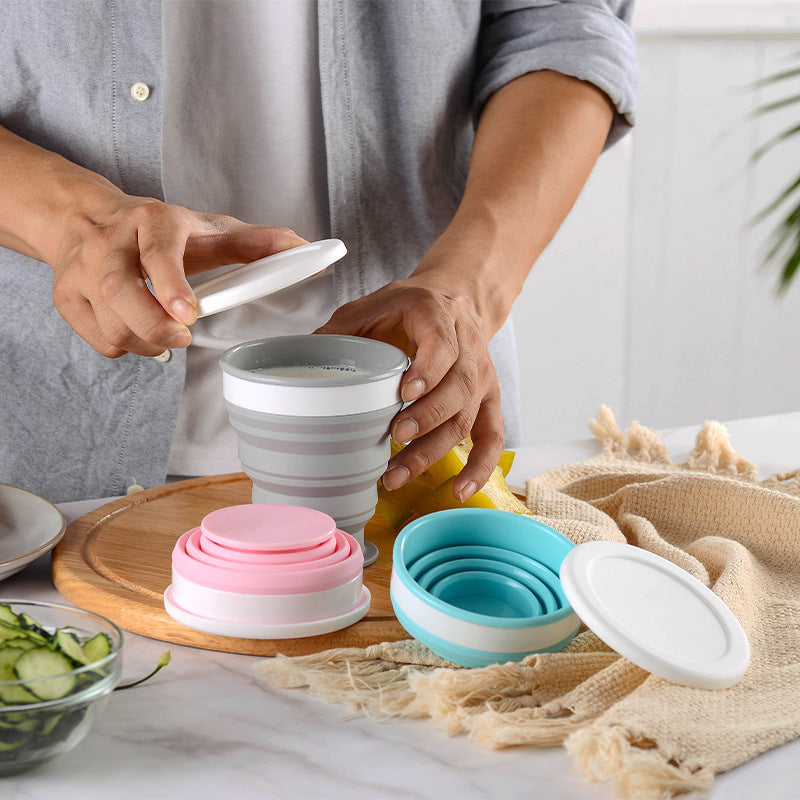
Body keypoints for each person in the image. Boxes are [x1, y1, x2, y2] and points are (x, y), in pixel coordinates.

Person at [0, 1, 637, 504]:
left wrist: (469, 285)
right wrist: (71, 224)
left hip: (417, 417)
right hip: (39, 449)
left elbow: (560, 24)